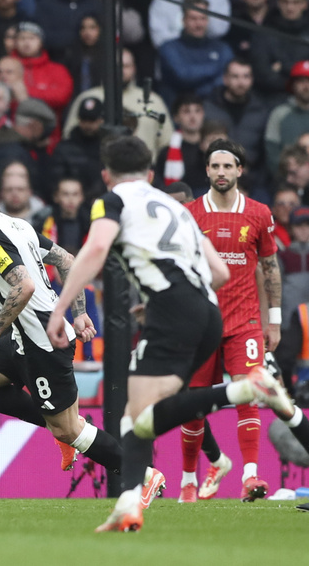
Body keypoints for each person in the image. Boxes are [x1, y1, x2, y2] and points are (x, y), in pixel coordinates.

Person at [47, 135, 295, 532]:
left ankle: (245, 391)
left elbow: (94, 250)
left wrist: (61, 310)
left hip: (173, 312)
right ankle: (129, 505)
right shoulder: (177, 207)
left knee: (139, 414)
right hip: (207, 310)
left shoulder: (112, 200)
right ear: (149, 173)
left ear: (106, 174)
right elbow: (219, 273)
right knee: (141, 415)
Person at [0, 166, 124, 478]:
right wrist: (80, 312)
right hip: (24, 333)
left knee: (68, 430)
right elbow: (68, 261)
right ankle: (60, 428)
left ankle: (142, 474)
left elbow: (25, 286)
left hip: (43, 342)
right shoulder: (17, 225)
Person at [177, 139, 283, 502]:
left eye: (228, 166)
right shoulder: (190, 214)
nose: (221, 172)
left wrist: (275, 321)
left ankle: (250, 477)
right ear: (206, 171)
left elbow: (269, 268)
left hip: (245, 321)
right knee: (194, 403)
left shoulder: (259, 213)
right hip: (202, 323)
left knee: (248, 391)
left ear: (240, 170)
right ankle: (188, 479)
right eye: (215, 166)